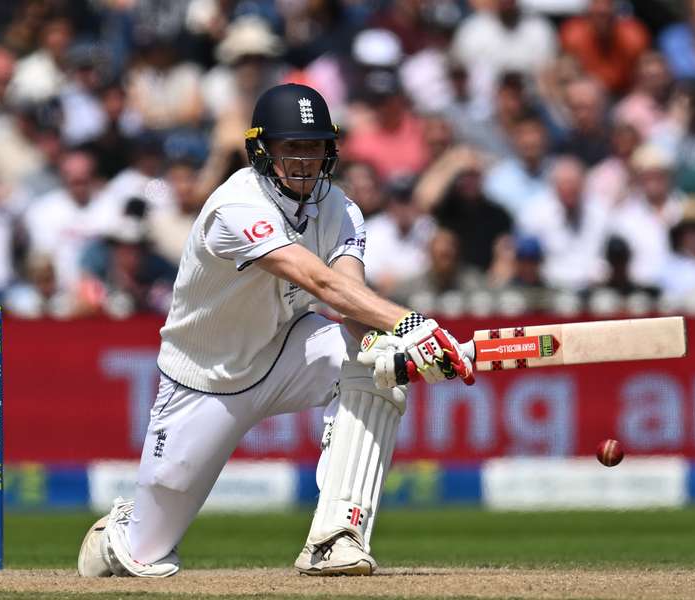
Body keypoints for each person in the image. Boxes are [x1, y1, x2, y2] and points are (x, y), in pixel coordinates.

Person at [76, 83, 474, 578]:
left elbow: (352, 298)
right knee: (146, 554)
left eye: (313, 147)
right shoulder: (235, 207)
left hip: (287, 350)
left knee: (376, 360)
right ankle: (119, 533)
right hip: (203, 381)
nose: (304, 161)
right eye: (291, 148)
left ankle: (337, 537)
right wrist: (412, 324)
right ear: (261, 152)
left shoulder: (342, 210)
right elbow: (319, 281)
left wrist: (401, 341)